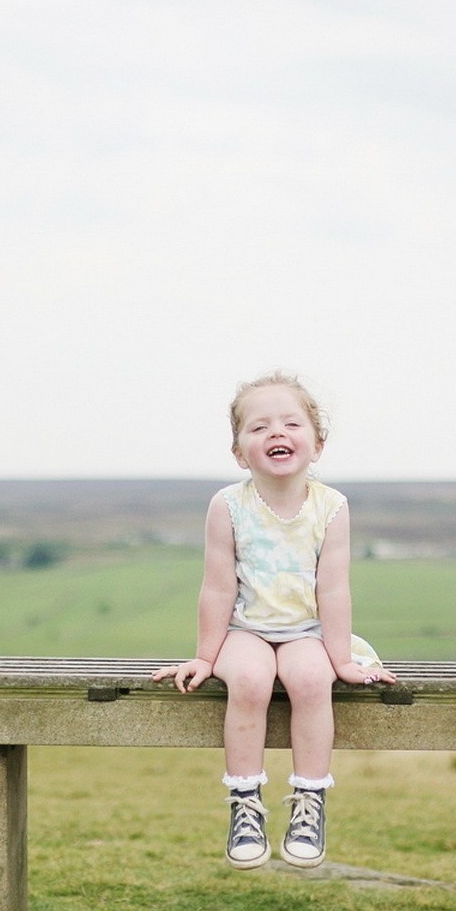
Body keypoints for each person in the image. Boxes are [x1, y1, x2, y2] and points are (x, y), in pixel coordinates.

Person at [151, 371, 396, 870]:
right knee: (248, 677)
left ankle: (309, 803)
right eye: (259, 427)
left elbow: (333, 588)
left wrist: (342, 658)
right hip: (247, 629)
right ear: (240, 452)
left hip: (306, 629)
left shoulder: (331, 507)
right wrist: (204, 655)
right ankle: (245, 803)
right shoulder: (228, 505)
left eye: (291, 423)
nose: (276, 433)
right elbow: (218, 586)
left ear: (317, 443)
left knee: (310, 679)